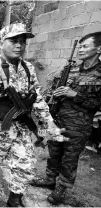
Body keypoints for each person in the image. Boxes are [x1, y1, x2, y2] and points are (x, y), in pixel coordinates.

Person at [0, 23, 66, 207]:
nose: (19, 45)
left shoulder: (28, 68)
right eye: (14, 41)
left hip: (21, 128)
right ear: (1, 43)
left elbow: (37, 99)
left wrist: (50, 125)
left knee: (26, 164)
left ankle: (14, 198)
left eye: (22, 41)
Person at [30, 31, 101, 205]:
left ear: (98, 49)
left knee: (69, 158)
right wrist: (54, 96)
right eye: (80, 46)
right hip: (58, 118)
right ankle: (50, 179)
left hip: (79, 125)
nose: (81, 50)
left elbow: (97, 104)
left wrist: (74, 94)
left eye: (85, 46)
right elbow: (55, 88)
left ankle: (61, 189)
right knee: (53, 152)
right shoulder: (72, 69)